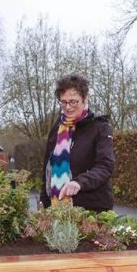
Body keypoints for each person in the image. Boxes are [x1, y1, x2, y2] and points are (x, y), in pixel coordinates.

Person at [40, 73, 115, 212]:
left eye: (73, 101)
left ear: (85, 99)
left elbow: (105, 166)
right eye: (63, 102)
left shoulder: (100, 128)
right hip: (57, 210)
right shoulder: (56, 130)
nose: (68, 107)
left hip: (92, 210)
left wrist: (79, 183)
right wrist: (43, 205)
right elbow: (47, 171)